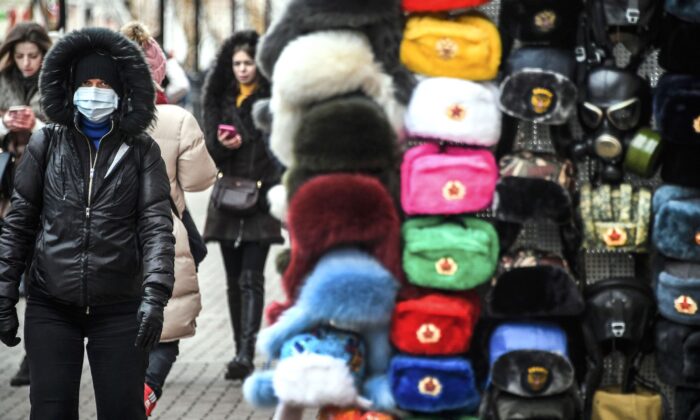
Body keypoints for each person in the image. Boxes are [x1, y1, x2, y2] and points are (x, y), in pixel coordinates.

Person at [0, 27, 175, 420]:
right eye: (87, 83)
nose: (94, 92)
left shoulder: (141, 151)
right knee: (50, 410)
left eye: (103, 84)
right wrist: (4, 291)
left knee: (121, 410)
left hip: (119, 306)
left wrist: (154, 296)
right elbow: (20, 222)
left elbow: (156, 229)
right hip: (51, 304)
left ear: (120, 92)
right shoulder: (47, 143)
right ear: (71, 88)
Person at [121, 21, 217, 416]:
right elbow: (200, 180)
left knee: (120, 319)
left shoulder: (94, 121)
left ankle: (125, 390)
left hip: (111, 232)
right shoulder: (175, 119)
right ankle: (147, 388)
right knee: (167, 319)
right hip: (164, 228)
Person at [202, 30, 283, 381]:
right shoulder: (220, 101)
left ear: (259, 64)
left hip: (262, 200)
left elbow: (281, 152)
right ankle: (238, 350)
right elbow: (208, 152)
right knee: (233, 280)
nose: (242, 69)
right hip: (227, 197)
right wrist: (222, 145)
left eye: (248, 62)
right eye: (236, 63)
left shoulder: (273, 101)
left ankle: (246, 353)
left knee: (252, 278)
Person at [0, 22, 52, 388]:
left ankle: (33, 358)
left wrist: (35, 124)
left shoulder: (55, 83)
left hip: (43, 190)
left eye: (33, 56)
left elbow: (66, 131)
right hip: (5, 190)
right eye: (20, 56)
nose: (26, 63)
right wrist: (4, 125)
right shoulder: (3, 81)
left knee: (37, 276)